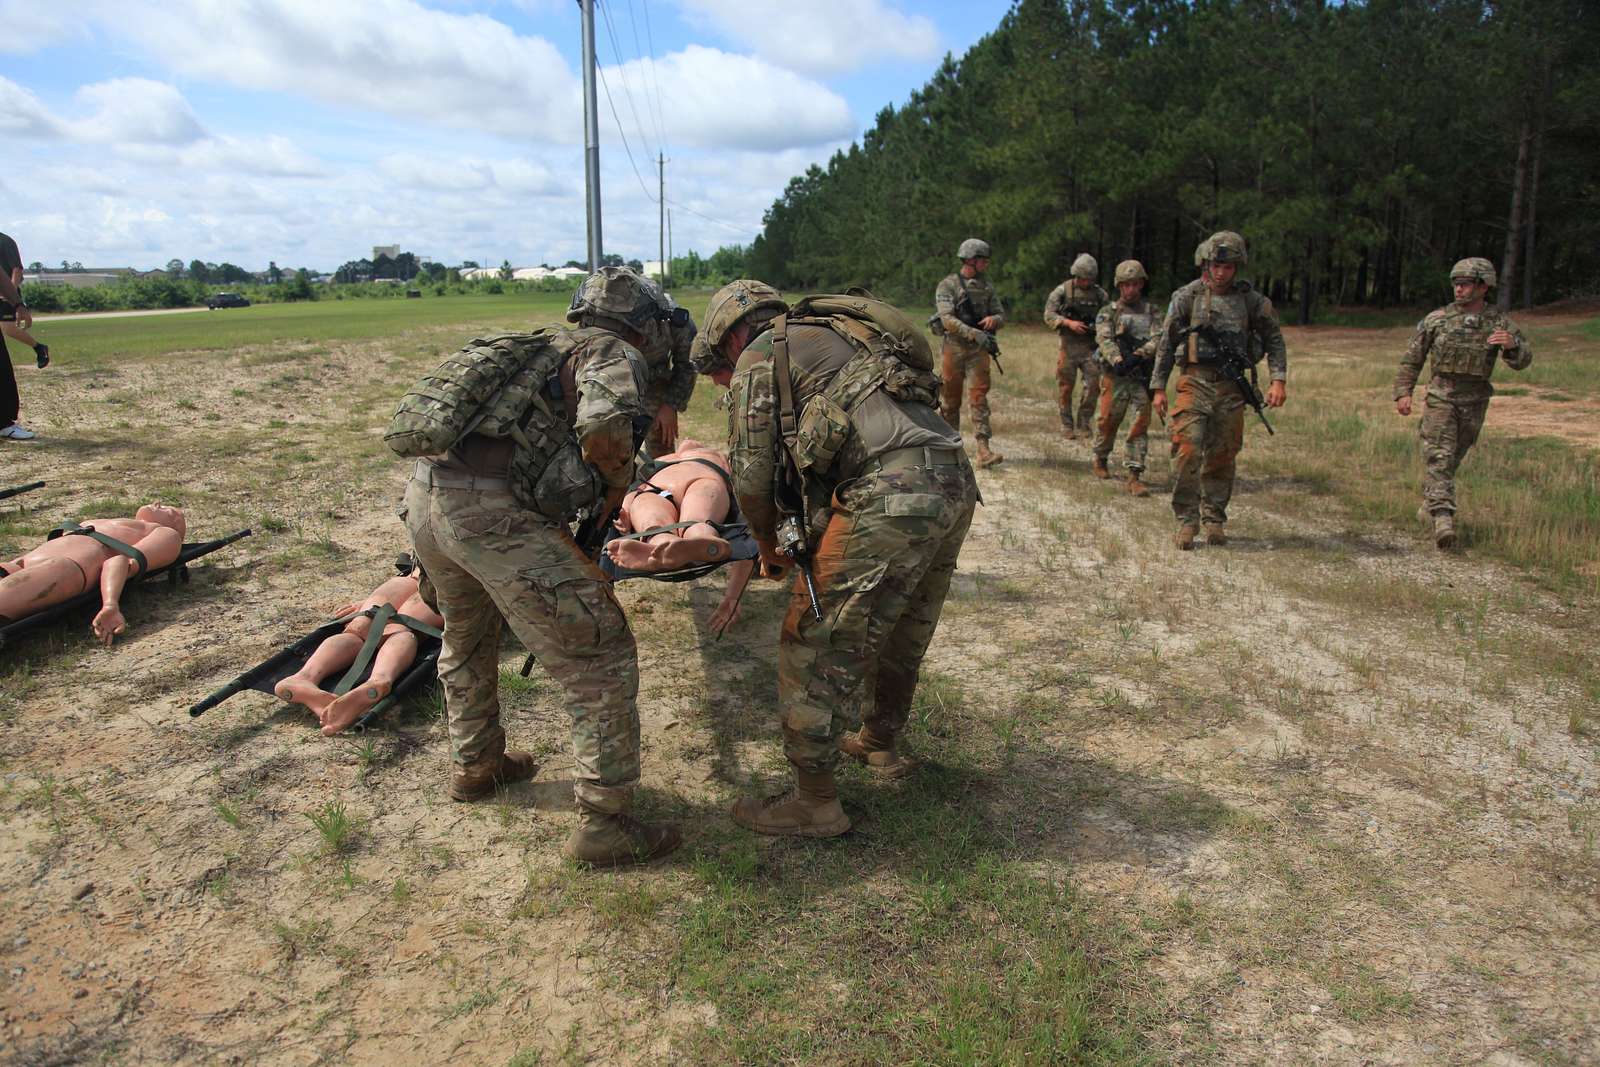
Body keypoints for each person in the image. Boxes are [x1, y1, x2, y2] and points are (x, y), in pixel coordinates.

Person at [396, 265, 680, 867]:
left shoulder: (540, 348)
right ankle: (606, 826)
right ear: (645, 325)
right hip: (492, 515)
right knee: (598, 654)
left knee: (468, 635)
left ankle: (477, 764)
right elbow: (604, 430)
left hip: (427, 499)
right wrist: (613, 483)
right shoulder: (612, 352)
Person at [704, 280, 978, 838]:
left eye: (717, 366)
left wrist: (765, 544)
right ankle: (879, 741)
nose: (721, 378)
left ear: (732, 335)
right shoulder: (843, 337)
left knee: (811, 639)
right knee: (901, 625)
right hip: (953, 478)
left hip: (892, 492)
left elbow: (752, 478)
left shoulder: (760, 354)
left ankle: (814, 803)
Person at [1150, 231, 1288, 549]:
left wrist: (1278, 379)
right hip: (1193, 381)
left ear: (1237, 267)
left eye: (1228, 266)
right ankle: (1186, 520)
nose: (1221, 272)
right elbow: (1167, 344)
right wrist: (1158, 386)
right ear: (1206, 264)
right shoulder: (1187, 296)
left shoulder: (1252, 301)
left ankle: (1214, 518)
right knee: (1187, 450)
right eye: (1216, 265)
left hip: (1230, 386)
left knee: (1223, 454)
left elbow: (1274, 340)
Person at [1393, 257, 1532, 549]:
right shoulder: (1437, 319)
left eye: (1466, 284)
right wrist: (1403, 392)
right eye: (1456, 284)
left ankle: (1431, 503)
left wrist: (1512, 346)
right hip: (1441, 398)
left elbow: (1522, 361)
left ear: (1483, 287)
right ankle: (1443, 521)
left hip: (1475, 401)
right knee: (1439, 456)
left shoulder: (1498, 322)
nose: (1459, 290)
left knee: (1453, 457)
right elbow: (1412, 358)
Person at [604, 439, 756, 635]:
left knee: (653, 520)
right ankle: (692, 538)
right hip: (693, 481)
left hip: (661, 487)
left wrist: (625, 507)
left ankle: (662, 543)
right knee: (693, 518)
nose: (687, 441)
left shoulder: (716, 457)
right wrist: (624, 509)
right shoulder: (713, 458)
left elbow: (632, 488)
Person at [272, 573, 443, 735]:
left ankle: (303, 677)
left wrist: (368, 601)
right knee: (402, 629)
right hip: (442, 577)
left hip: (411, 576)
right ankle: (379, 680)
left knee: (359, 627)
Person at [0, 503, 185, 643]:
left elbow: (121, 562)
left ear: (176, 524)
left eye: (171, 510)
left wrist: (110, 605)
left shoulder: (167, 534)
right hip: (22, 562)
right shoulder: (110, 522)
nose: (159, 503)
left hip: (66, 567)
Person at [934, 238, 1006, 468]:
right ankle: (949, 447)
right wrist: (974, 333)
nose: (986, 264)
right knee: (949, 400)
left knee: (979, 398)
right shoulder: (948, 285)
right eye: (983, 260)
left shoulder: (987, 287)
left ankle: (983, 450)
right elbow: (946, 319)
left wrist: (994, 319)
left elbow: (1001, 315)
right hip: (953, 349)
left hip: (978, 352)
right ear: (971, 260)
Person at [1092, 260, 1159, 495]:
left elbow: (1159, 337)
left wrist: (1140, 355)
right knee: (1108, 421)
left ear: (1142, 284)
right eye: (1126, 285)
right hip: (1115, 376)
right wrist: (1118, 360)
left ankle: (1134, 474)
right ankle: (1100, 456)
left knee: (1139, 425)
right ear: (1119, 286)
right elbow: (1104, 338)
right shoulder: (1108, 312)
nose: (1131, 289)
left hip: (1140, 376)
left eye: (1135, 284)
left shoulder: (1152, 312)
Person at [1044, 254, 1108, 441]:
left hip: (1090, 347)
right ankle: (1066, 424)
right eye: (1083, 278)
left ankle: (1084, 423)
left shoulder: (1100, 295)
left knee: (1094, 386)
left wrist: (1097, 328)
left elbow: (1108, 318)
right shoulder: (1063, 291)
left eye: (1089, 279)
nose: (1086, 282)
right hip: (1068, 346)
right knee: (1065, 387)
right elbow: (1048, 314)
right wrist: (1068, 323)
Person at [634, 276, 697, 459]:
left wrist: (670, 404)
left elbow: (687, 364)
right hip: (614, 378)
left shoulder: (675, 319)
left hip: (655, 379)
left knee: (662, 447)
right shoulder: (614, 317)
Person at [0, 231, 39, 441]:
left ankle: (4, 423)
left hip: (4, 301)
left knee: (1, 367)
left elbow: (7, 274)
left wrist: (16, 303)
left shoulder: (5, 241)